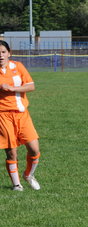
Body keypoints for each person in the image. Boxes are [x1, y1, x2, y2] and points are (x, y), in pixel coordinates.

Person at [0, 40, 41, 191]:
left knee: (34, 149)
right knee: (12, 152)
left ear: (9, 53)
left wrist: (12, 88)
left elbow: (31, 86)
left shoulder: (18, 66)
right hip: (3, 115)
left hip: (22, 114)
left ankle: (28, 175)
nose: (0, 55)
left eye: (3, 52)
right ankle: (16, 185)